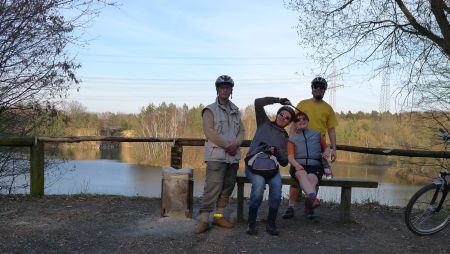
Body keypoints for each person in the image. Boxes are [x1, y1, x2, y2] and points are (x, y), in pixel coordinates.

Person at [194, 75, 246, 234]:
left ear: (231, 90)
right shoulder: (210, 110)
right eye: (222, 87)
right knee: (212, 187)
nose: (225, 90)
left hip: (232, 157)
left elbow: (242, 131)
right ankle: (204, 219)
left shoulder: (236, 111)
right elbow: (209, 131)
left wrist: (236, 143)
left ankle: (218, 216)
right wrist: (227, 144)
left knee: (227, 187)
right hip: (216, 155)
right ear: (217, 89)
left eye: (228, 87)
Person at [282, 76, 338, 219]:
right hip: (299, 143)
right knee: (296, 179)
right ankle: (291, 207)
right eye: (316, 86)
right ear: (312, 88)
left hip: (318, 147)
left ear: (325, 90)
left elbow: (331, 129)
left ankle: (309, 208)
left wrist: (333, 149)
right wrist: (291, 141)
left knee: (315, 178)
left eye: (321, 87)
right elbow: (294, 124)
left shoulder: (328, 108)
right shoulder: (303, 103)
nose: (318, 89)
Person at [245, 97, 294, 236]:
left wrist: (277, 152)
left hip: (272, 169)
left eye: (287, 118)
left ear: (289, 122)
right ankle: (251, 223)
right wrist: (279, 100)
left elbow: (284, 162)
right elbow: (258, 102)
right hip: (253, 166)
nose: (283, 118)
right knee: (259, 186)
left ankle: (271, 223)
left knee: (277, 190)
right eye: (281, 114)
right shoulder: (263, 123)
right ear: (277, 114)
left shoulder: (285, 138)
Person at [287, 111, 330, 215]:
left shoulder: (317, 134)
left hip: (315, 166)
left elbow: (327, 147)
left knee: (312, 179)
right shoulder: (292, 138)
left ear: (308, 121)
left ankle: (309, 204)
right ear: (295, 123)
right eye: (298, 120)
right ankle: (313, 199)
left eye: (304, 119)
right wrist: (297, 166)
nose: (301, 121)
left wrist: (327, 152)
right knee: (301, 174)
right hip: (298, 165)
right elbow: (290, 157)